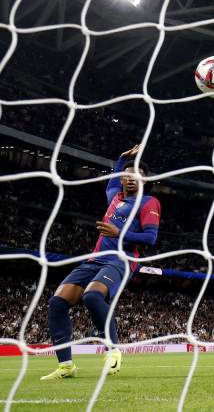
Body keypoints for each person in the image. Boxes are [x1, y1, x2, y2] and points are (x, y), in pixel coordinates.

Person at [42, 145, 160, 380]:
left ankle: (113, 350)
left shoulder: (149, 202)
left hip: (122, 259)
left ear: (144, 180)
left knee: (92, 296)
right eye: (127, 174)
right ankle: (66, 365)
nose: (130, 178)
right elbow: (113, 179)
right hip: (95, 259)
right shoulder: (114, 198)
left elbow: (150, 238)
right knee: (57, 303)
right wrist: (121, 158)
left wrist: (119, 233)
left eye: (136, 175)